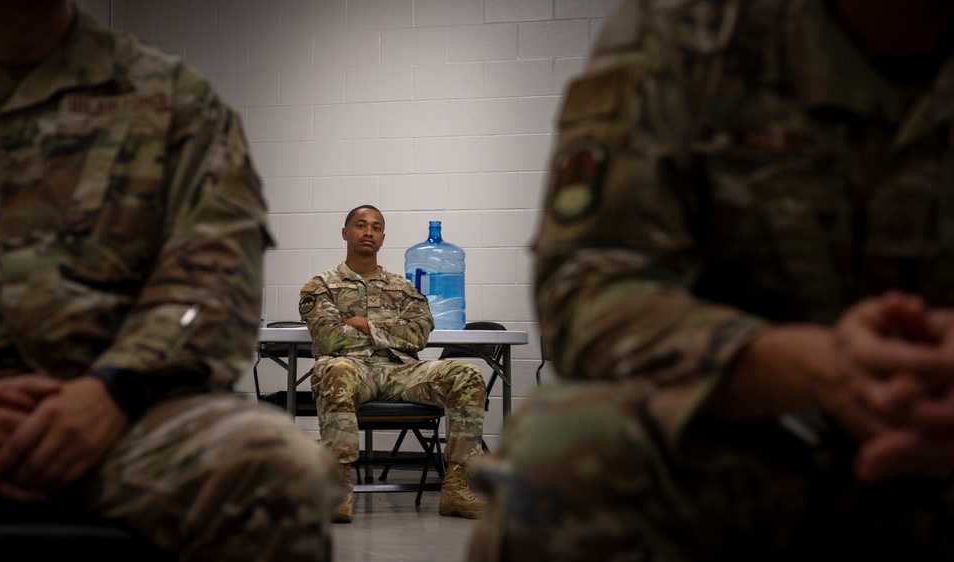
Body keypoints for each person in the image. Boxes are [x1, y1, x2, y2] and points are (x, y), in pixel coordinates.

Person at [468, 0, 954, 560]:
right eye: (362, 225)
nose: (371, 233)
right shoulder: (687, 29)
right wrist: (818, 367)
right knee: (566, 447)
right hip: (757, 442)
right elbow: (587, 284)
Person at [0, 1, 338, 560]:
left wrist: (115, 387)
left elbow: (212, 282)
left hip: (126, 420)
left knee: (273, 466)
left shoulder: (172, 100)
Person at [299, 204, 487, 523]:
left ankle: (456, 488)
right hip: (352, 369)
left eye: (376, 227)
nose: (368, 232)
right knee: (337, 371)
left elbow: (420, 333)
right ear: (346, 233)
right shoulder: (321, 286)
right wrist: (391, 330)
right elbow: (329, 339)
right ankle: (338, 488)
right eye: (361, 225)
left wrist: (363, 324)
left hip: (401, 372)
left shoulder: (401, 286)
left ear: (383, 237)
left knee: (467, 373)